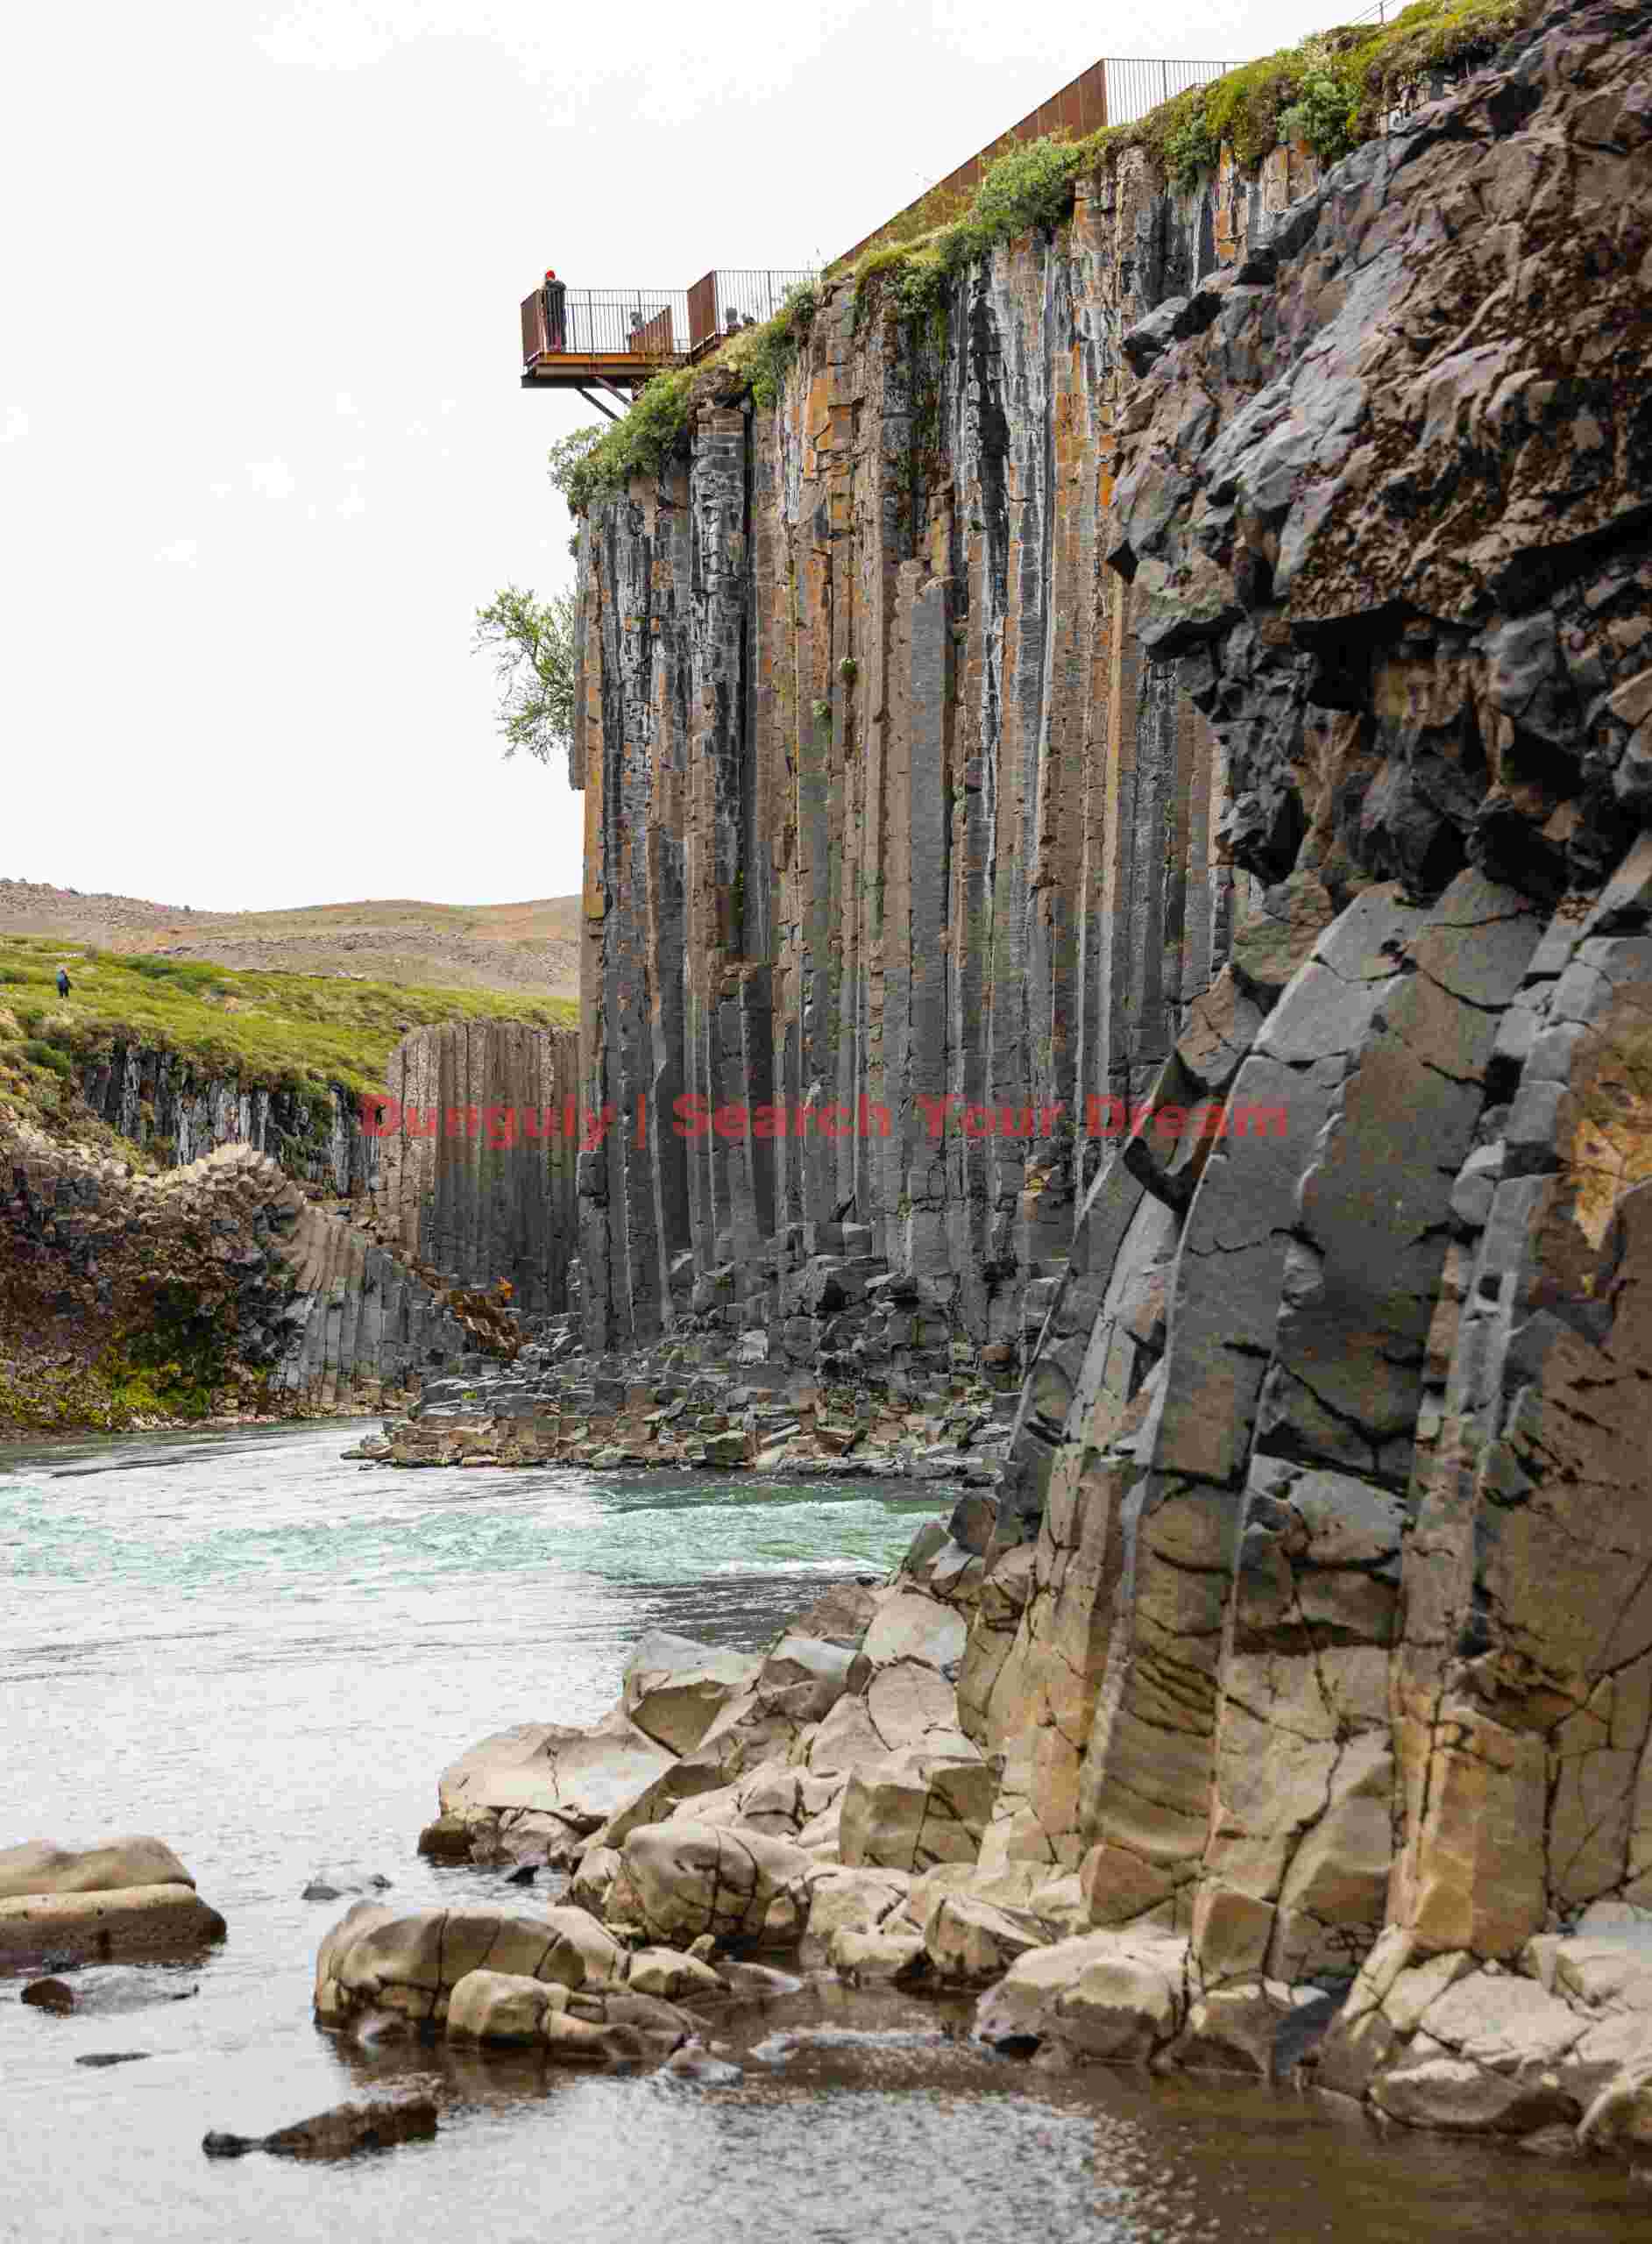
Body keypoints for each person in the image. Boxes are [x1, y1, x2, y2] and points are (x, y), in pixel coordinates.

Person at [542, 267, 566, 353]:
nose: (547, 279)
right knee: (550, 331)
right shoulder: (545, 289)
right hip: (549, 313)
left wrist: (552, 282)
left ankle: (561, 347)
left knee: (560, 330)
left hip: (559, 312)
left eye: (547, 277)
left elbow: (563, 287)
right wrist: (544, 289)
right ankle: (551, 348)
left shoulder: (558, 284)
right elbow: (541, 299)